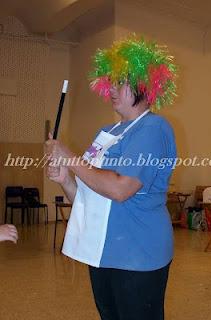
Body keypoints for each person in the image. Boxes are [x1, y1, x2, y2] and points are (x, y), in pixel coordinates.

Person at [46, 35, 178, 320]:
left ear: (143, 85)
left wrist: (69, 157)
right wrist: (66, 179)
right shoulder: (108, 132)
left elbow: (121, 190)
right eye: (112, 82)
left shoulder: (154, 128)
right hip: (102, 251)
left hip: (139, 254)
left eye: (121, 82)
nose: (113, 90)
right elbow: (86, 197)